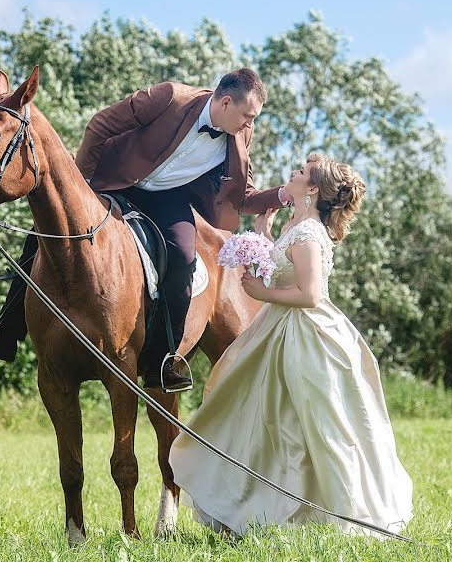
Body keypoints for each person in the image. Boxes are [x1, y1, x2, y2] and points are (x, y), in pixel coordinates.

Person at [0, 68, 292, 392]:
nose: (251, 124)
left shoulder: (239, 133)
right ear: (226, 102)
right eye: (248, 115)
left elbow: (242, 197)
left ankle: (163, 359)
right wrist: (81, 183)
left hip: (167, 198)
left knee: (185, 258)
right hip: (114, 180)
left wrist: (280, 195)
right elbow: (101, 124)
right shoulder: (170, 97)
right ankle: (3, 335)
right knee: (42, 231)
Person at [169, 153, 413, 536]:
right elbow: (284, 268)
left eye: (301, 172)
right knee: (262, 417)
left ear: (312, 188)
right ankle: (257, 504)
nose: (293, 173)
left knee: (309, 423)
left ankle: (334, 511)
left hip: (307, 335)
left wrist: (261, 292)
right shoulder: (296, 223)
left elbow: (311, 294)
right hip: (278, 329)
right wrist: (264, 237)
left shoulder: (310, 234)